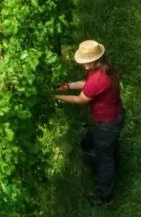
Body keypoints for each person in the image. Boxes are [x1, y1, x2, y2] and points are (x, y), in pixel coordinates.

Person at [54, 39, 125, 206]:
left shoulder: (99, 78)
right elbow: (87, 85)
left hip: (107, 123)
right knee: (105, 146)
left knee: (104, 158)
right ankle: (114, 164)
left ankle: (105, 196)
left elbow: (81, 99)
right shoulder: (104, 69)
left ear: (96, 60)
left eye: (87, 61)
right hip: (115, 116)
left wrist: (56, 97)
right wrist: (68, 86)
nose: (84, 64)